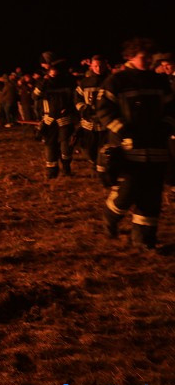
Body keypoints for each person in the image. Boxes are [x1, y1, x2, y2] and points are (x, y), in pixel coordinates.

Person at [98, 38, 175, 249]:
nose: (149, 60)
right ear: (129, 56)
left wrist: (166, 127)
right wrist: (124, 130)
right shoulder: (117, 81)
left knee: (151, 197)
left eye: (151, 57)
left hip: (156, 149)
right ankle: (110, 218)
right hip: (128, 149)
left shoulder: (159, 81)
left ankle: (144, 240)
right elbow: (104, 111)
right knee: (126, 193)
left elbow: (171, 109)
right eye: (144, 57)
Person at [34, 51, 78, 178]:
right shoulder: (43, 82)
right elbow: (35, 96)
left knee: (66, 146)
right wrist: (43, 82)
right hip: (49, 120)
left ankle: (66, 167)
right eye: (50, 69)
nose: (53, 71)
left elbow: (75, 98)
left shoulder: (69, 80)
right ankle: (52, 171)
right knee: (50, 145)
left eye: (55, 69)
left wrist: (69, 108)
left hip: (65, 119)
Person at [75, 55, 110, 184]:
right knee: (89, 149)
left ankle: (102, 173)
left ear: (105, 65)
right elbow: (77, 98)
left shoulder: (110, 81)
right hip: (88, 124)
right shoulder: (85, 82)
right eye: (95, 66)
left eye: (100, 66)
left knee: (104, 149)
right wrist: (83, 108)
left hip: (105, 123)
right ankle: (93, 163)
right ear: (91, 66)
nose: (98, 68)